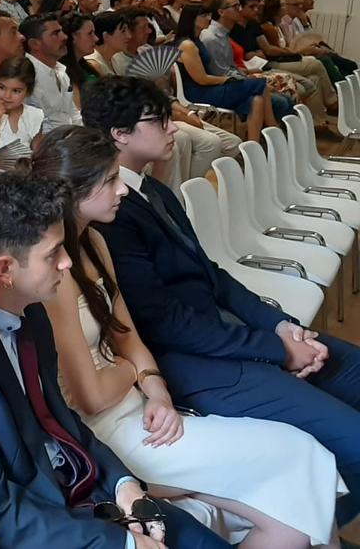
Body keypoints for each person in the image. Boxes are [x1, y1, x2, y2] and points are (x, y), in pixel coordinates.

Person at [33, 125, 346, 548]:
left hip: (144, 409)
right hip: (109, 434)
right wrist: (135, 371)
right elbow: (90, 395)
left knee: (298, 477)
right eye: (109, 180)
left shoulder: (97, 244)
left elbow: (129, 338)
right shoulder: (56, 274)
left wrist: (157, 392)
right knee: (298, 456)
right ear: (74, 193)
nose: (122, 189)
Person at [83, 75, 360, 529]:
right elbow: (164, 323)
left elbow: (213, 274)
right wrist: (276, 349)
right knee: (353, 441)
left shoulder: (154, 191)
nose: (174, 127)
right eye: (160, 120)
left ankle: (315, 528)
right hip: (195, 362)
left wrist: (281, 327)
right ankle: (313, 532)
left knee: (353, 370)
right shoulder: (111, 216)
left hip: (227, 334)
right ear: (120, 134)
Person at [0, 172, 231, 549]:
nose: (68, 263)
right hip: (39, 521)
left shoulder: (31, 309)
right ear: (5, 270)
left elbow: (59, 419)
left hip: (80, 487)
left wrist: (124, 485)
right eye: (54, 253)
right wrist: (123, 544)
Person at [174, 5, 277, 143]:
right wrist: (227, 79)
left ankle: (254, 144)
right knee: (260, 84)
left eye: (209, 15)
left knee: (257, 100)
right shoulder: (187, 45)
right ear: (191, 19)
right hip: (198, 92)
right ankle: (273, 127)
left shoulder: (196, 41)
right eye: (204, 16)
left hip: (209, 87)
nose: (209, 18)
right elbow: (201, 79)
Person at [22, 14, 83, 133]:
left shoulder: (60, 70)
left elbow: (73, 114)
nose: (64, 37)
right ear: (34, 44)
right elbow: (38, 129)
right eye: (55, 33)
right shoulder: (27, 75)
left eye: (62, 31)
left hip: (73, 136)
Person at [0, 56, 45, 156]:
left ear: (28, 92)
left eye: (16, 91)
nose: (7, 96)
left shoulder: (35, 115)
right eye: (2, 87)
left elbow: (39, 154)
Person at [87, 12, 130, 77]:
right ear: (106, 36)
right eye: (123, 31)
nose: (129, 36)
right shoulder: (93, 64)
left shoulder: (115, 59)